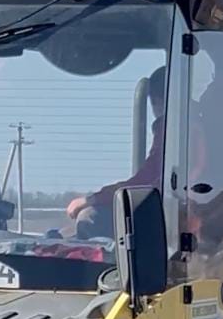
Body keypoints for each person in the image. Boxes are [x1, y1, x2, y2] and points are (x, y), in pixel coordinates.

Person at [66, 66, 167, 239]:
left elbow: (146, 183)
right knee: (64, 234)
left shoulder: (177, 133)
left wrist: (92, 200)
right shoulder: (201, 130)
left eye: (154, 103)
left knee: (91, 218)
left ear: (159, 102)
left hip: (172, 219)